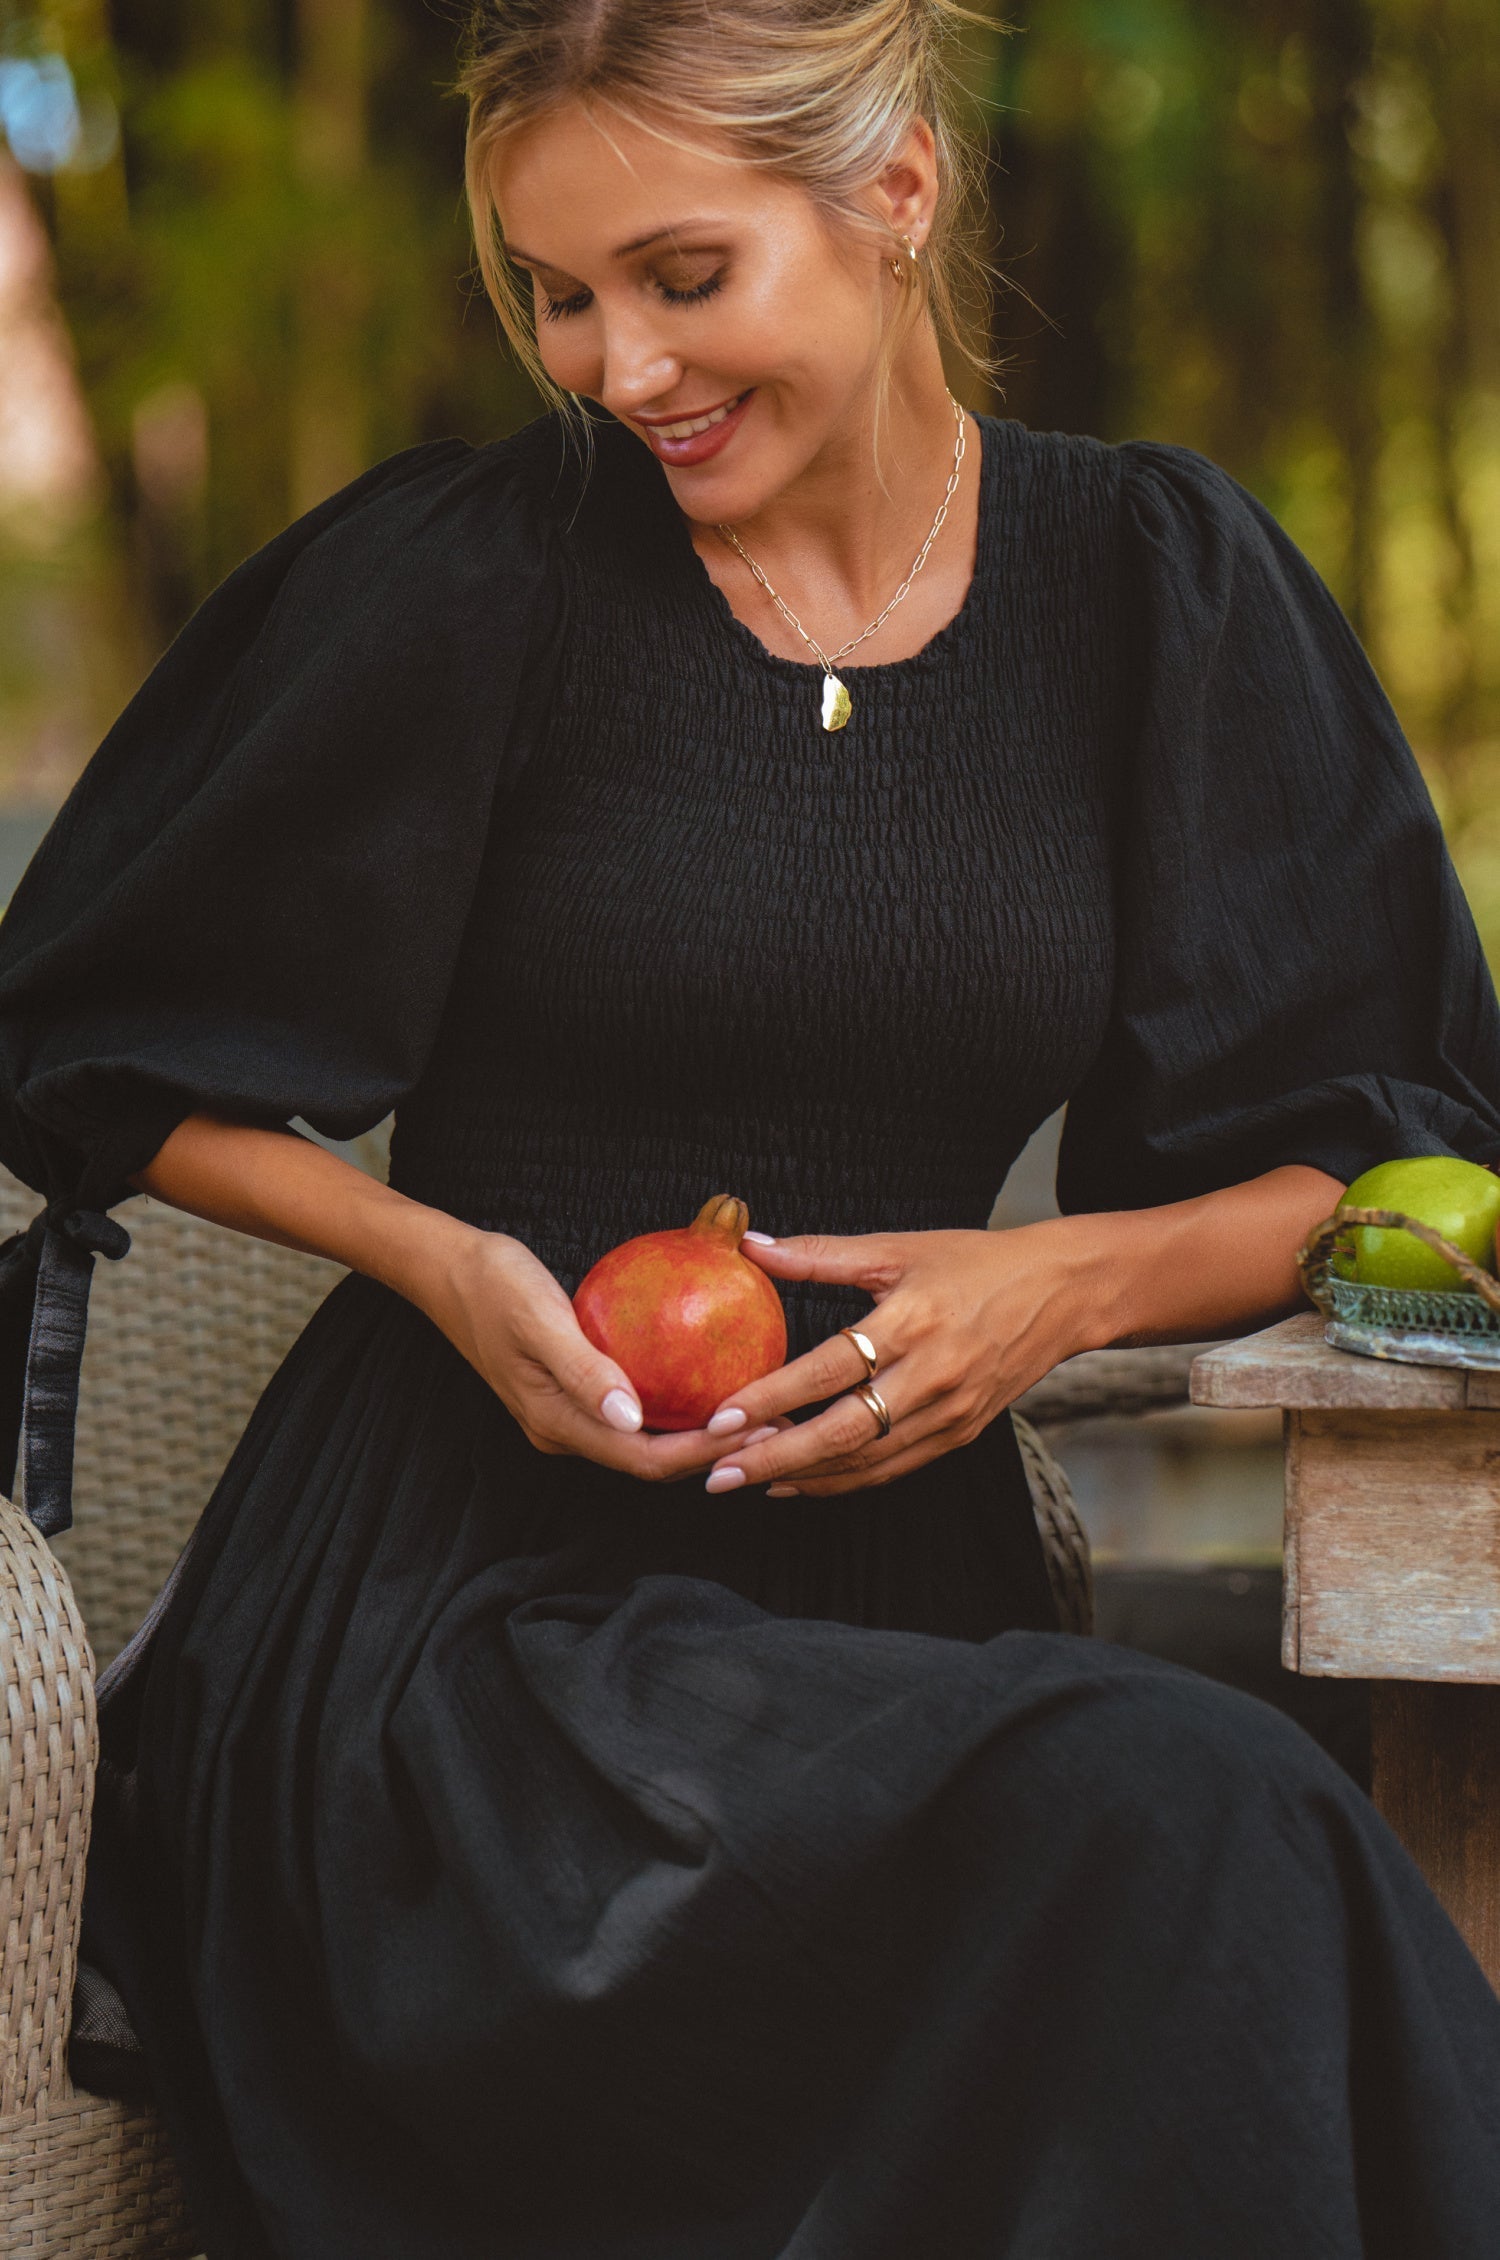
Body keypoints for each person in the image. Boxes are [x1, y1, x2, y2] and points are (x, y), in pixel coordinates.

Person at [1, 1, 1499, 2252]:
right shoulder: (478, 572)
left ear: (897, 191)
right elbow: (86, 1049)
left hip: (905, 1624)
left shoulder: (1153, 589)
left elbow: (1367, 1138)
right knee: (1189, 1807)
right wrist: (436, 1259)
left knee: (1173, 1844)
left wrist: (1063, 1282)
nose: (617, 364)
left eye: (682, 276)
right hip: (470, 1671)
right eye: (559, 292)